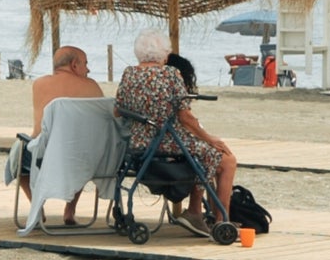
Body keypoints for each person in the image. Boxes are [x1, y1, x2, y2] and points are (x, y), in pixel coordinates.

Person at [115, 31, 236, 238]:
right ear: (163, 54)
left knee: (207, 153)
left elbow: (117, 110)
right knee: (227, 159)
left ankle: (198, 212)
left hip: (138, 143)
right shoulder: (171, 74)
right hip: (167, 142)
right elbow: (185, 117)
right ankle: (219, 220)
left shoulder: (129, 73)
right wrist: (209, 138)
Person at [21, 46, 105, 224]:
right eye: (86, 64)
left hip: (42, 156)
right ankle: (70, 210)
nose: (88, 69)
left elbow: (37, 129)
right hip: (81, 156)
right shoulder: (91, 86)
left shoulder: (40, 84)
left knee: (18, 161)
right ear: (74, 65)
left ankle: (37, 207)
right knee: (84, 157)